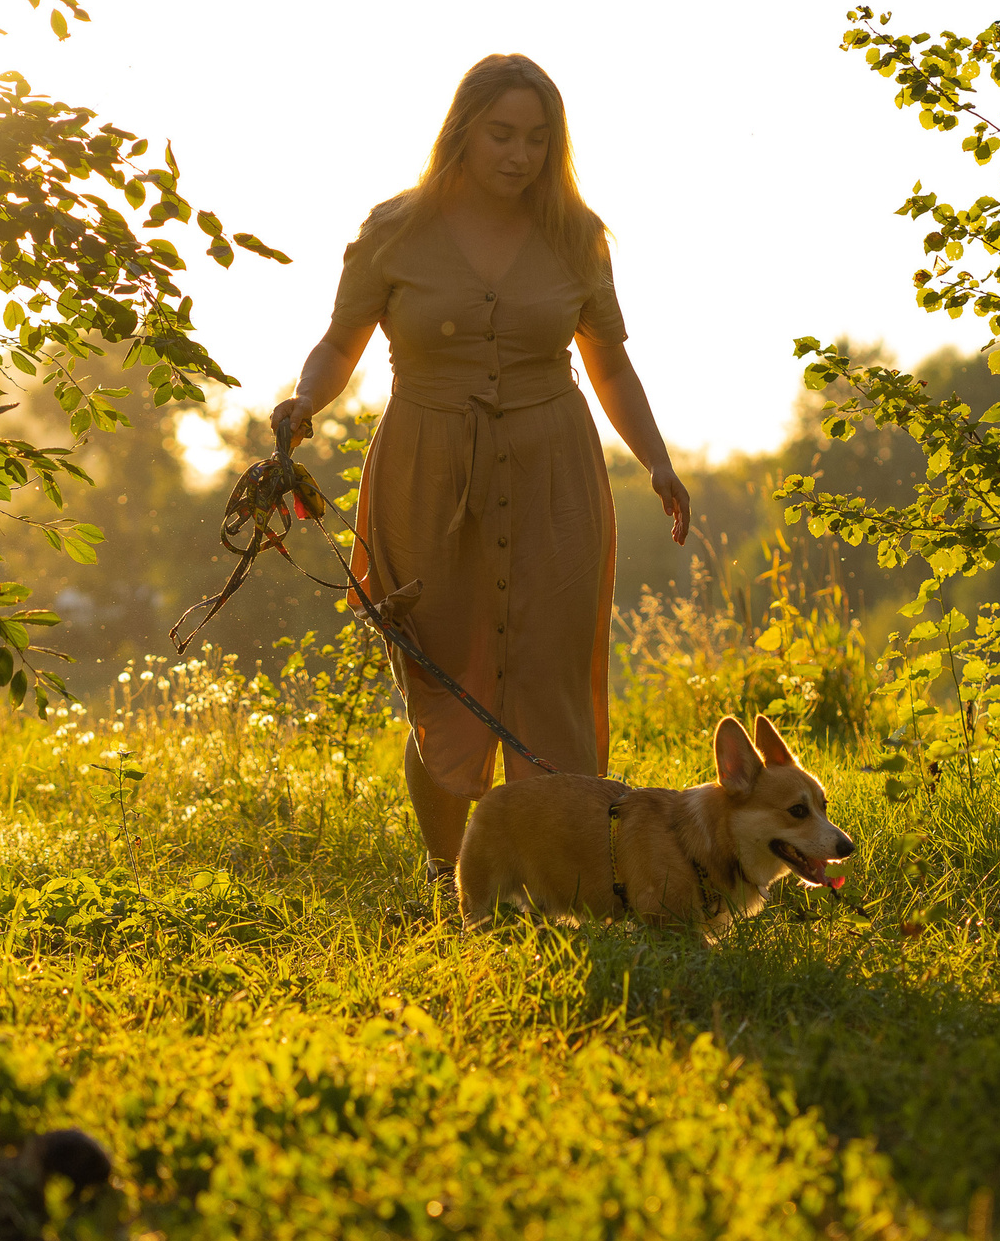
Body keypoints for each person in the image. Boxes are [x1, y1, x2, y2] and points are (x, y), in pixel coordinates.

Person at [272, 53, 691, 897]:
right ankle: (449, 875)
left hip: (554, 480)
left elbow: (610, 366)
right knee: (445, 690)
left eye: (538, 139)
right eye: (502, 134)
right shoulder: (395, 228)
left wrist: (657, 459)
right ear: (462, 131)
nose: (520, 154)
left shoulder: (578, 234)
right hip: (426, 477)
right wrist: (304, 400)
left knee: (552, 681)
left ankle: (559, 884)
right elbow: (340, 340)